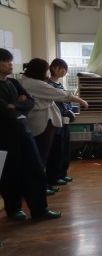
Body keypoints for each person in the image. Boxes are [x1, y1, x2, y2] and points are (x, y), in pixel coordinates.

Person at [0, 49, 62, 220]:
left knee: (35, 170)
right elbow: (3, 110)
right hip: (3, 136)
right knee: (9, 173)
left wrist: (15, 105)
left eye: (10, 60)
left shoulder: (14, 82)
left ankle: (40, 210)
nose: (10, 64)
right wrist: (16, 105)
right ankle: (13, 209)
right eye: (5, 61)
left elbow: (30, 102)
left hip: (24, 131)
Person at [21, 58, 88, 187]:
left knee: (55, 152)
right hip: (41, 123)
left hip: (51, 122)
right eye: (46, 70)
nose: (47, 73)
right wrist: (81, 101)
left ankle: (48, 181)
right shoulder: (37, 84)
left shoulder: (33, 82)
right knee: (44, 156)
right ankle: (42, 185)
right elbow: (61, 95)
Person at [46, 58, 75, 185]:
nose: (64, 71)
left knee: (65, 148)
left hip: (65, 121)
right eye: (62, 68)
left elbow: (66, 101)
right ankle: (55, 176)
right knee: (57, 150)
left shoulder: (59, 84)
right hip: (55, 122)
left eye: (66, 69)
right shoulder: (48, 84)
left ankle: (63, 173)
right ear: (53, 68)